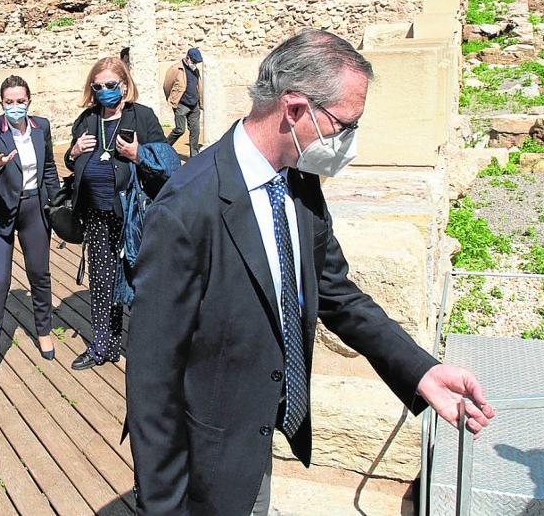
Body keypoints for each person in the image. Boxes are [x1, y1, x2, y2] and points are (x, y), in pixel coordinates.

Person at [126, 30, 496, 515]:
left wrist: (420, 370)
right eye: (345, 125)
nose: (349, 142)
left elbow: (335, 291)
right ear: (295, 109)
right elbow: (152, 376)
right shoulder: (187, 208)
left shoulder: (298, 180)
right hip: (208, 455)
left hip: (257, 433)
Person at [64, 57, 175, 371]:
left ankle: (146, 351)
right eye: (97, 87)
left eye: (110, 85)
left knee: (140, 283)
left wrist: (137, 154)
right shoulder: (87, 120)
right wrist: (72, 154)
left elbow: (169, 164)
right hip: (97, 216)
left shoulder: (142, 117)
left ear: (125, 86)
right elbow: (72, 164)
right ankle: (104, 347)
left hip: (135, 218)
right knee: (100, 284)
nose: (103, 92)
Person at [0, 75, 62, 385]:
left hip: (34, 208)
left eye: (20, 101)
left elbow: (49, 166)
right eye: (9, 102)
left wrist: (56, 202)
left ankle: (44, 330)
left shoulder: (41, 127)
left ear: (29, 101)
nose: (15, 107)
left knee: (40, 274)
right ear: (1, 103)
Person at [164, 47, 205, 158]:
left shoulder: (195, 70)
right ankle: (164, 147)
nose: (195, 64)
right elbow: (167, 86)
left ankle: (194, 157)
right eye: (194, 61)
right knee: (180, 130)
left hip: (194, 105)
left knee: (195, 131)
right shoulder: (176, 69)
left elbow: (198, 86)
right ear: (187, 58)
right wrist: (172, 100)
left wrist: (200, 102)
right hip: (181, 105)